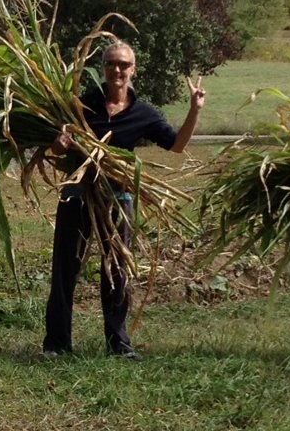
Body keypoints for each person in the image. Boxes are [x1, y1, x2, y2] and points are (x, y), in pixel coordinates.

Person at [43, 41, 206, 361]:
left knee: (117, 271)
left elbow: (176, 145)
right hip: (77, 197)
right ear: (103, 69)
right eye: (110, 64)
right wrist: (59, 143)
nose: (117, 70)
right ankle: (57, 344)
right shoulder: (81, 105)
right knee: (65, 269)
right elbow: (57, 148)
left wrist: (195, 110)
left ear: (133, 70)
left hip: (119, 200)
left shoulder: (144, 114)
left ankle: (118, 343)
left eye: (123, 65)